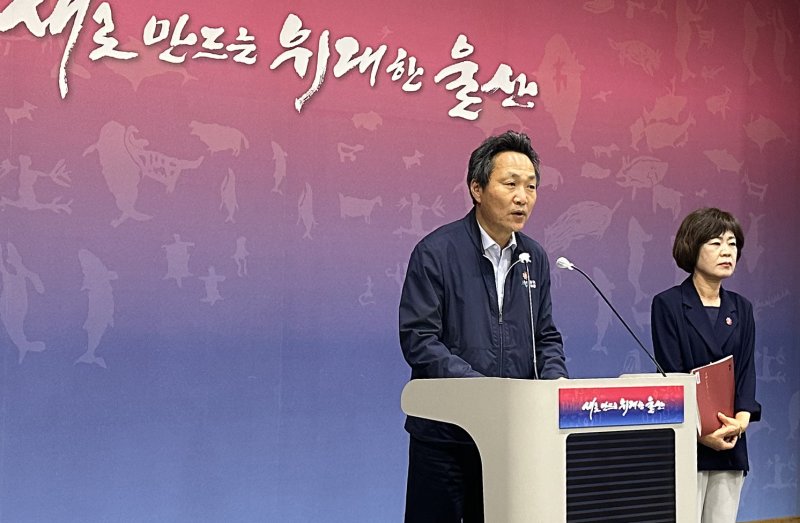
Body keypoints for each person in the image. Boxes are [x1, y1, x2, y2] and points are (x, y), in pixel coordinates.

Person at [399, 130, 568, 522]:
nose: (522, 197)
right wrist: (483, 391)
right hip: (445, 436)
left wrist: (555, 386)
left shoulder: (534, 258)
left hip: (510, 437)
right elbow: (420, 339)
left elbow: (545, 336)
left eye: (531, 186)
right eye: (510, 184)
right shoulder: (436, 252)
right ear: (477, 188)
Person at [651, 207, 761, 523]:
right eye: (715, 243)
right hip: (689, 438)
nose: (727, 251)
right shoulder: (668, 304)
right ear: (692, 247)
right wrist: (699, 433)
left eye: (732, 244)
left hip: (731, 440)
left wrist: (740, 422)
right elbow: (671, 373)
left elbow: (746, 371)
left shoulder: (742, 307)